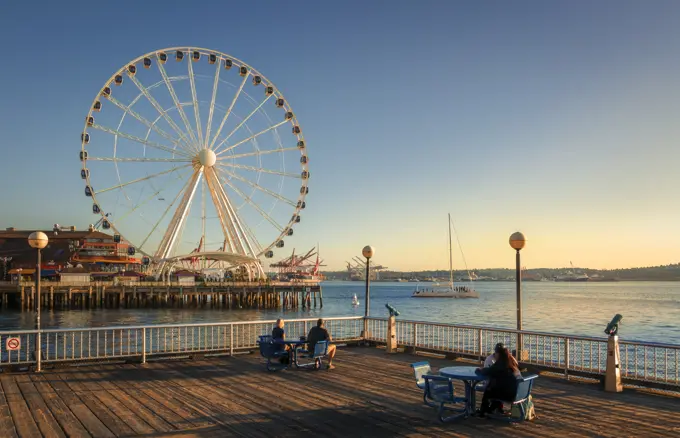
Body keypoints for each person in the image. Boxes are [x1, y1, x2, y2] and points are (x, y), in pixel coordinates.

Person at [475, 344, 521, 417]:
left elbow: (488, 371)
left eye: (495, 353)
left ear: (498, 354)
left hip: (509, 395)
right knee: (495, 386)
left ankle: (483, 412)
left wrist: (479, 370)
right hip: (518, 392)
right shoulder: (512, 361)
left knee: (489, 390)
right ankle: (492, 408)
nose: (494, 355)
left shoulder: (500, 364)